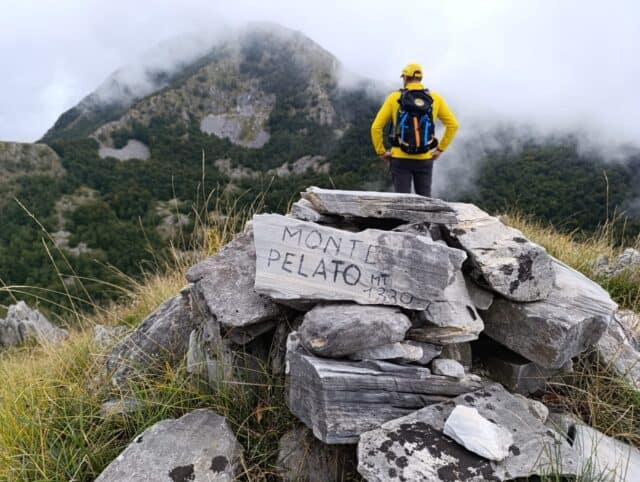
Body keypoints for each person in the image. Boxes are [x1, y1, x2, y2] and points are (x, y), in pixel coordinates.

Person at [370, 62, 459, 197]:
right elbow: (453, 125)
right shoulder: (435, 99)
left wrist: (381, 152)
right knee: (425, 202)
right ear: (420, 78)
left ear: (405, 78)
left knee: (402, 202)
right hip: (424, 158)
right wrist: (440, 149)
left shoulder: (394, 98)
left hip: (400, 158)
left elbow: (376, 127)